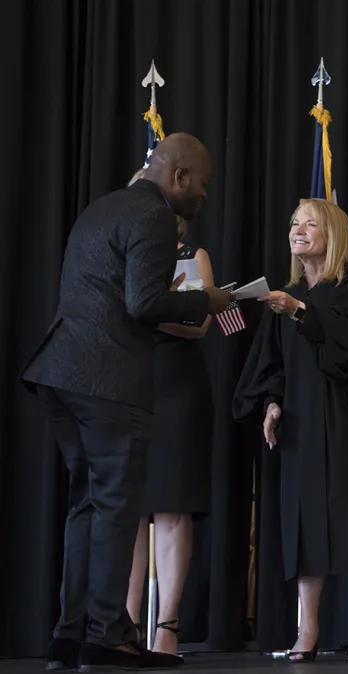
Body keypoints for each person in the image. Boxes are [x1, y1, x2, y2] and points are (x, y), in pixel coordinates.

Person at [20, 133, 232, 670]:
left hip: (60, 371)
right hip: (108, 379)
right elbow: (144, 302)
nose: (203, 197)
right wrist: (205, 299)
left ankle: (69, 637)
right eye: (202, 186)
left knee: (87, 502)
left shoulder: (102, 206)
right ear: (179, 177)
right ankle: (109, 637)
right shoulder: (156, 215)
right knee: (117, 504)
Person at [232, 198, 348, 661]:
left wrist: (300, 313)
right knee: (306, 523)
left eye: (310, 223)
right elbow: (273, 364)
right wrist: (271, 403)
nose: (298, 230)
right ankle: (306, 626)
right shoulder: (286, 294)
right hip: (304, 421)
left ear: (333, 235)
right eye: (294, 223)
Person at [122, 168, 217, 656]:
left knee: (172, 507)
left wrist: (146, 313)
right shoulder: (123, 251)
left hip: (179, 388)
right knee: (130, 510)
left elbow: (201, 321)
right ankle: (126, 626)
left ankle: (168, 627)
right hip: (131, 382)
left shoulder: (190, 255)